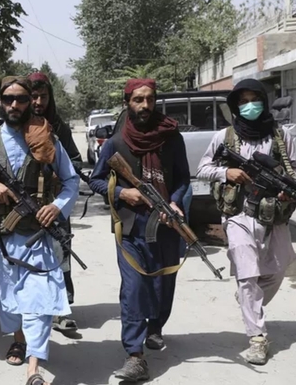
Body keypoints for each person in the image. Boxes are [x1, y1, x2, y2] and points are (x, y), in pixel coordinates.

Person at [0, 76, 79, 385]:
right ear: (0, 102)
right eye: (9, 99)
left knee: (38, 301)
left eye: (22, 99)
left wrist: (58, 207)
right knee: (9, 299)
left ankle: (33, 367)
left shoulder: (47, 138)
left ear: (31, 102)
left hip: (36, 235)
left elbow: (71, 180)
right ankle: (19, 338)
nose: (15, 105)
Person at [88, 78, 190, 382]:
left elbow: (184, 179)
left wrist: (175, 202)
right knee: (133, 289)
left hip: (167, 225)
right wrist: (122, 194)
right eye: (138, 100)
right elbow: (95, 180)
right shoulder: (116, 143)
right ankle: (134, 355)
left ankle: (155, 326)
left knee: (162, 285)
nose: (144, 106)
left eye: (149, 99)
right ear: (127, 103)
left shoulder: (172, 138)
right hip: (131, 228)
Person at [196, 79, 296, 366]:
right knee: (248, 276)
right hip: (238, 215)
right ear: (235, 106)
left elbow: (295, 169)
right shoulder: (224, 137)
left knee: (278, 269)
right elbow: (203, 168)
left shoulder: (281, 136)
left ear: (264, 102)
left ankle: (248, 302)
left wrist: (288, 189)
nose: (249, 105)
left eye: (255, 99)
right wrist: (226, 173)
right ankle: (257, 337)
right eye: (243, 101)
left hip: (273, 215)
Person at [27, 71, 81, 333]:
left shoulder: (59, 128)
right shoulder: (16, 126)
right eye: (33, 96)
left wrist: (59, 178)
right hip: (23, 204)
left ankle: (62, 310)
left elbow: (76, 163)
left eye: (43, 97)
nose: (38, 102)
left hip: (55, 204)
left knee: (61, 256)